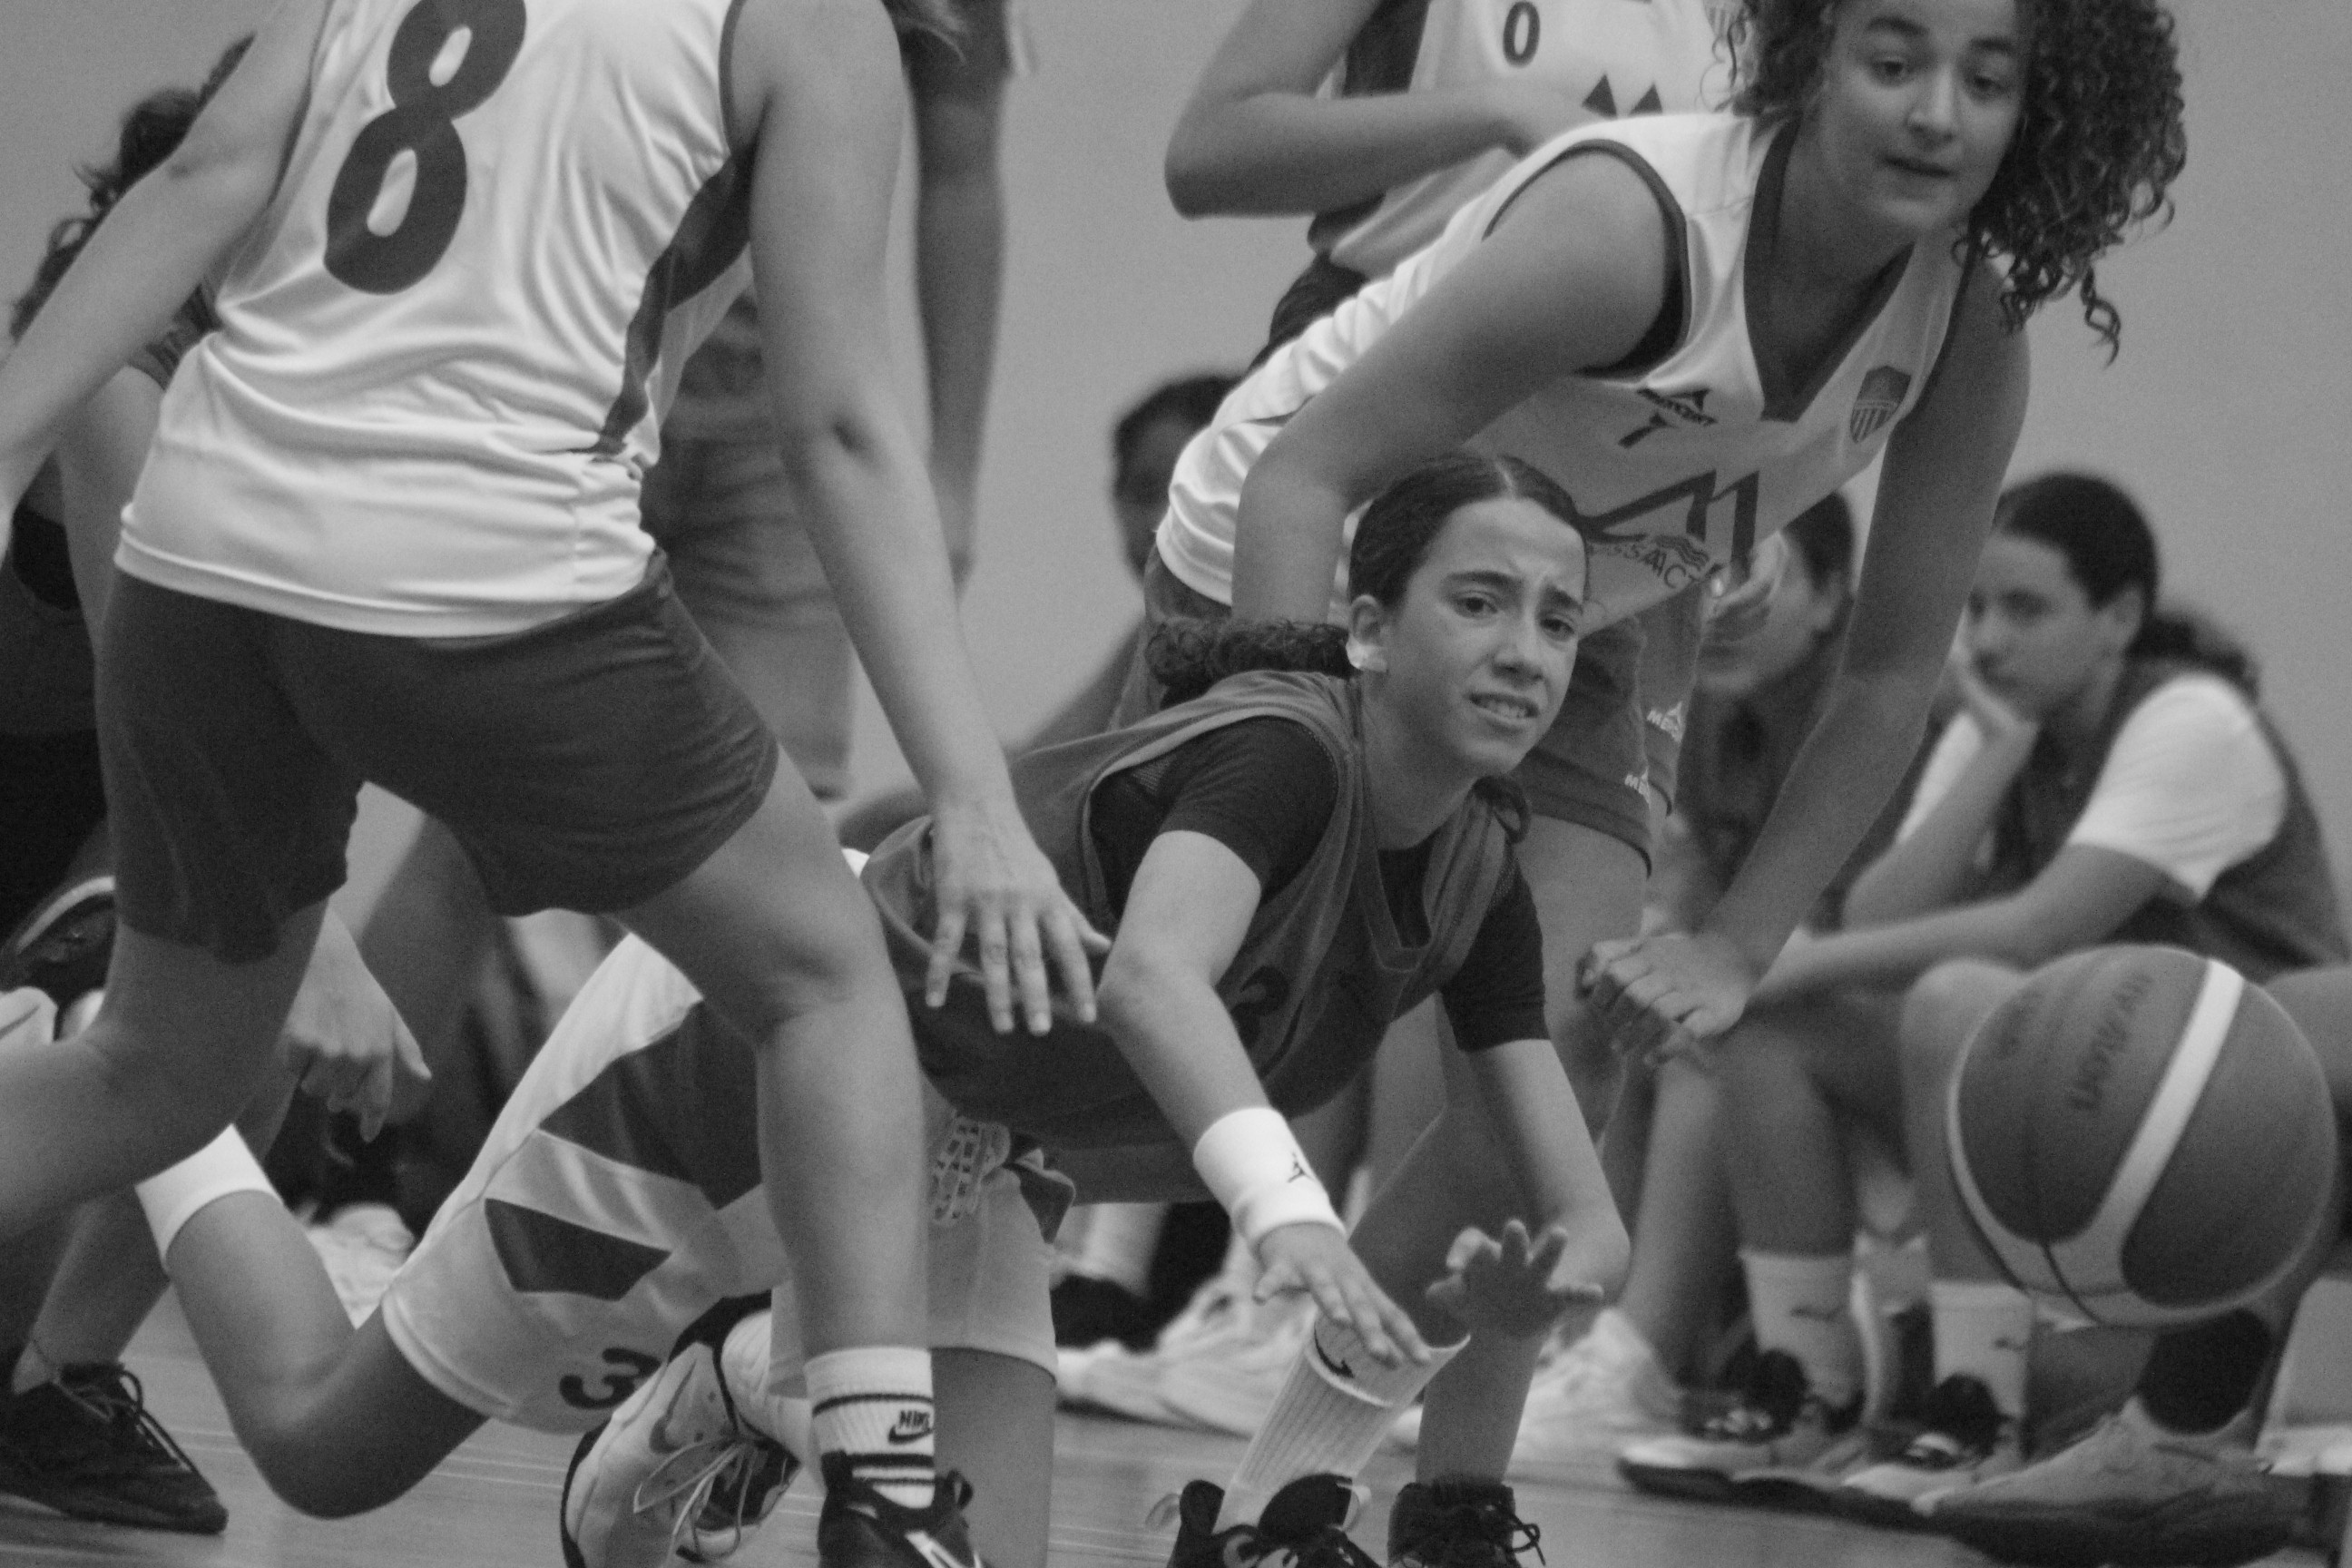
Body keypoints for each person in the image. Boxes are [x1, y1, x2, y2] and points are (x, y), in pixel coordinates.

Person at [0, 2, 1101, 1563]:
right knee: (827, 975)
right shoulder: (805, 25)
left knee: (154, 1072)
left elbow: (201, 177)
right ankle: (886, 1494)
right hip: (488, 570)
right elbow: (841, 426)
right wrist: (971, 795)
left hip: (210, 544)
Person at [125, 452, 1628, 1568]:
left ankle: (742, 1379)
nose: (1525, 649)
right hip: (756, 1037)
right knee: (323, 1449)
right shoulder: (1284, 755)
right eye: (1480, 600)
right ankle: (150, 1100)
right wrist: (1288, 1210)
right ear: (1366, 627)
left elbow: (1578, 1208)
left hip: (966, 1142)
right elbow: (1153, 977)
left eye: (1560, 622)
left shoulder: (1478, 877)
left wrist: (1548, 1295)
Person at [1134, 0, 2189, 1553]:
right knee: (1162, 1042)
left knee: (1574, 1049)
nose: (1936, 112)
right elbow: (1305, 470)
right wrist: (1303, 779)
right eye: (1894, 60)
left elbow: (1890, 675)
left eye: (1988, 79)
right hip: (1308, 559)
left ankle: (1404, 1504)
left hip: (1575, 612)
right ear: (1809, 62)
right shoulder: (1630, 229)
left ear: (2045, 113)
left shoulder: (1969, 324)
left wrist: (1736, 944)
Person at [1613, 475, 2345, 1529]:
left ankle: (1976, 1415)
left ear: (2120, 617)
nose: (1990, 640)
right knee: (1779, 1033)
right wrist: (1995, 752)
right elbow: (1879, 909)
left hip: (2221, 1120)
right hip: (2093, 1100)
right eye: (1978, 610)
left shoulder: (2192, 720)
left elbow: (2039, 929)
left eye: (2026, 610)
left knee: (1957, 999)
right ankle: (1805, 1388)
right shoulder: (2010, 724)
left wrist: (1764, 963)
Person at [0, 45, 420, 1538]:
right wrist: (327, 945)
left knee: (240, 990)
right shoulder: (119, 375)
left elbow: (293, 741)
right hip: (84, 787)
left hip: (91, 816)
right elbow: (157, 713)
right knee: (217, 971)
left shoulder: (326, 413)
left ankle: (50, 1386)